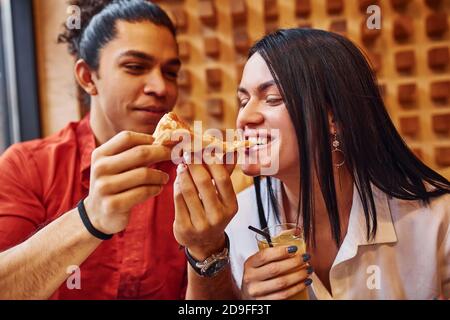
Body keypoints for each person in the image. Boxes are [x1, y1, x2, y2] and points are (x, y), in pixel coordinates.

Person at [173, 28, 450, 300]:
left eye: (272, 99)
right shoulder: (236, 221)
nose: (244, 117)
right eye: (243, 101)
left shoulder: (435, 218)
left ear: (335, 118)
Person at [0, 0, 187, 299]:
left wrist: (211, 253)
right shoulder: (28, 166)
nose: (160, 87)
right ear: (88, 77)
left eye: (171, 72)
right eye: (136, 67)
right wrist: (90, 218)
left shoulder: (188, 172)